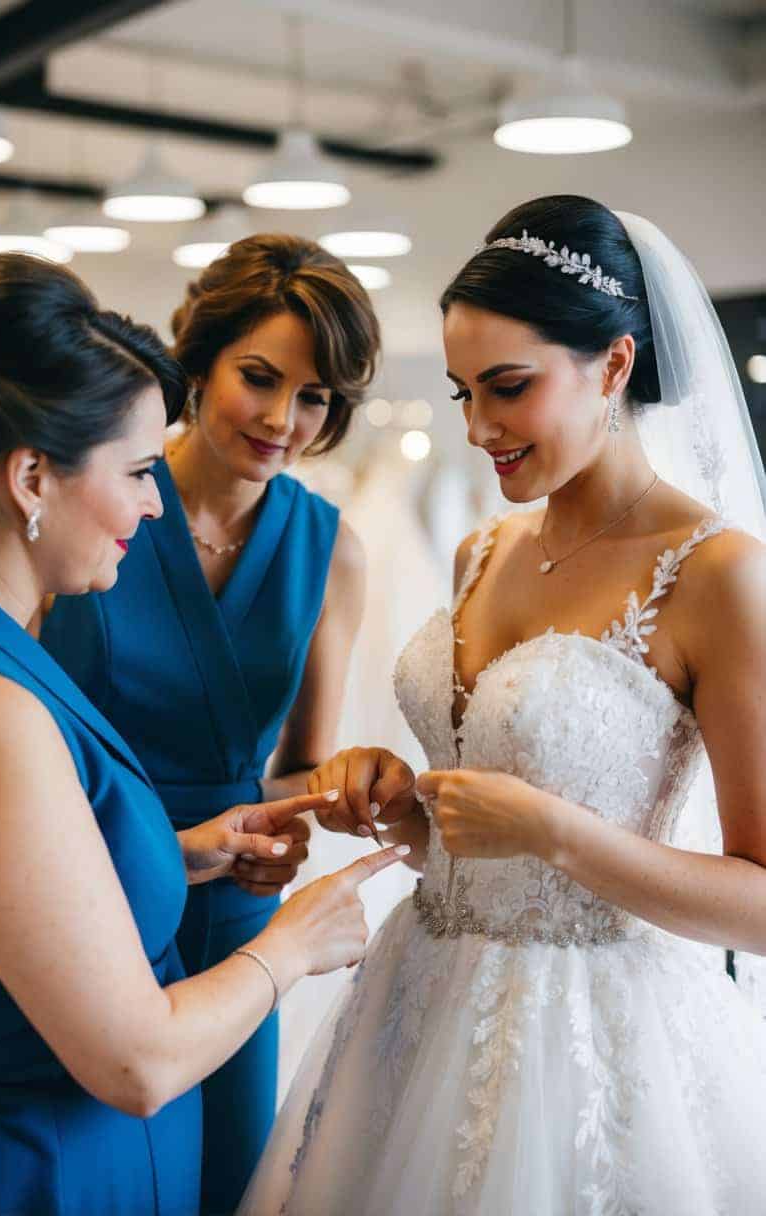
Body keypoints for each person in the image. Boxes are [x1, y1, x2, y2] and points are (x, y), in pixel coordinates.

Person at [236, 195, 766, 1215]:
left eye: (507, 389)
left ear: (613, 365)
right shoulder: (483, 549)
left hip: (598, 1044)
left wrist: (558, 835)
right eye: (462, 392)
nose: (476, 428)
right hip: (419, 999)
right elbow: (474, 820)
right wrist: (400, 802)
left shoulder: (716, 575)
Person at [0, 252, 408, 1216]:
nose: (282, 420)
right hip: (47, 1103)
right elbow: (136, 1064)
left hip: (177, 896)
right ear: (31, 477)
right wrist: (291, 946)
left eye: (314, 396)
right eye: (137, 471)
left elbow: (41, 833)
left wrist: (190, 847)